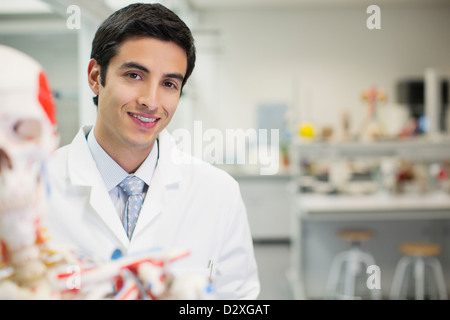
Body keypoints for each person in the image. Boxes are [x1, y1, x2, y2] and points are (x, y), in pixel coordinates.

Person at [45, 3, 260, 299]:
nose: (151, 101)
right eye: (134, 75)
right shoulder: (31, 189)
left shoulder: (220, 193)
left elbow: (239, 299)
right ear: (96, 76)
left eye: (169, 83)